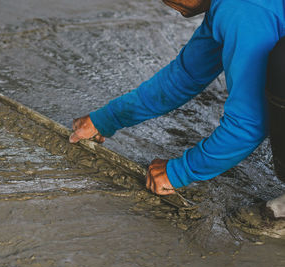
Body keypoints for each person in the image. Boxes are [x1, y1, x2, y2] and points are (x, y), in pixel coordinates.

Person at [69, 0, 285, 199]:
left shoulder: (244, 10)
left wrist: (183, 170)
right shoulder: (225, 6)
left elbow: (250, 122)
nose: (168, 4)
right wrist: (107, 118)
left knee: (280, 65)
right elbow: (183, 78)